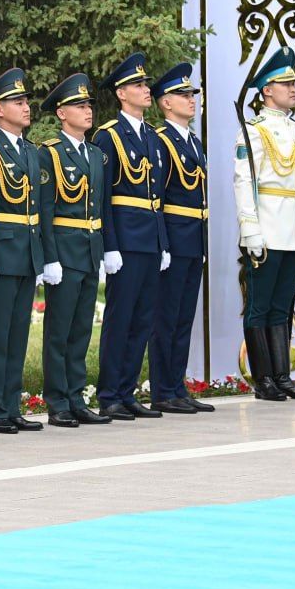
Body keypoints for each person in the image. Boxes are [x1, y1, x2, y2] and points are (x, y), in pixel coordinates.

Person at [234, 46, 295, 402]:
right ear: (267, 90)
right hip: (268, 229)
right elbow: (244, 181)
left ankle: (283, 377)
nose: (293, 89)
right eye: (286, 84)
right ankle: (263, 379)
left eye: (294, 84)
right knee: (260, 305)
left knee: (283, 304)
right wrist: (250, 230)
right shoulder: (254, 131)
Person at [92, 52, 169, 421]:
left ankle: (128, 391)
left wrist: (163, 243)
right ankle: (109, 394)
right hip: (124, 240)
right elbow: (103, 197)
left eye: (145, 84)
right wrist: (110, 246)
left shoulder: (152, 137)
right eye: (138, 85)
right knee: (120, 318)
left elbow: (158, 197)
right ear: (121, 93)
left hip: (150, 240)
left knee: (142, 319)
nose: (146, 89)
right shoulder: (108, 136)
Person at [37, 73, 112, 428]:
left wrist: (105, 249)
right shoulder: (50, 153)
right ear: (62, 113)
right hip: (65, 251)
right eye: (79, 106)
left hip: (90, 249)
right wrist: (49, 257)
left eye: (88, 105)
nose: (88, 111)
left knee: (82, 329)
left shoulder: (95, 155)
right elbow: (46, 210)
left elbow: (101, 206)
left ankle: (77, 397)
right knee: (59, 330)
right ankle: (58, 401)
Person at [0, 67, 44, 435]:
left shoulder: (31, 151)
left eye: (26, 100)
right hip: (1, 254)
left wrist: (41, 257)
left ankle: (12, 405)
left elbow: (37, 210)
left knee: (18, 335)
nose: (26, 106)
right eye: (18, 102)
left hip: (27, 253)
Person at [149, 64, 216, 414]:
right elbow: (157, 199)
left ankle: (177, 386)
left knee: (184, 317)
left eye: (192, 95)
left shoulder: (193, 142)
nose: (191, 100)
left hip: (193, 238)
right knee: (166, 316)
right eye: (183, 95)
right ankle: (163, 390)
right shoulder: (161, 141)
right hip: (174, 239)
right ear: (165, 103)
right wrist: (163, 244)